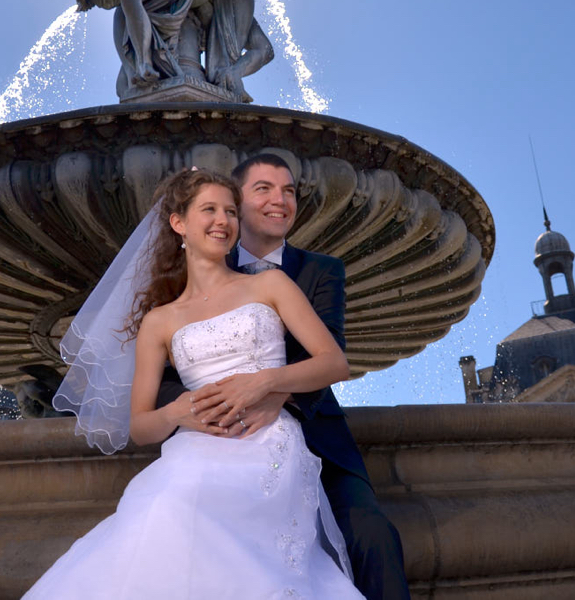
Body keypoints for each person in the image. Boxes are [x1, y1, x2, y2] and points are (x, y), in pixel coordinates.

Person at [25, 168, 364, 599]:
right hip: (194, 448)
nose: (223, 221)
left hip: (268, 446)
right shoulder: (159, 321)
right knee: (163, 505)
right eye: (209, 210)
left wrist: (263, 384)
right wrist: (177, 412)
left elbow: (334, 362)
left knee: (184, 515)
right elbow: (142, 427)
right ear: (179, 223)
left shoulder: (269, 284)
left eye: (230, 211)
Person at [161, 154, 411, 600]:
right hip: (217, 442)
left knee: (371, 534)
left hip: (316, 439)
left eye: (289, 190)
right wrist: (215, 409)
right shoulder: (200, 263)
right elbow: (164, 376)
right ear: (234, 202)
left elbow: (331, 350)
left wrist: (272, 388)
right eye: (264, 189)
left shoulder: (322, 271)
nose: (281, 200)